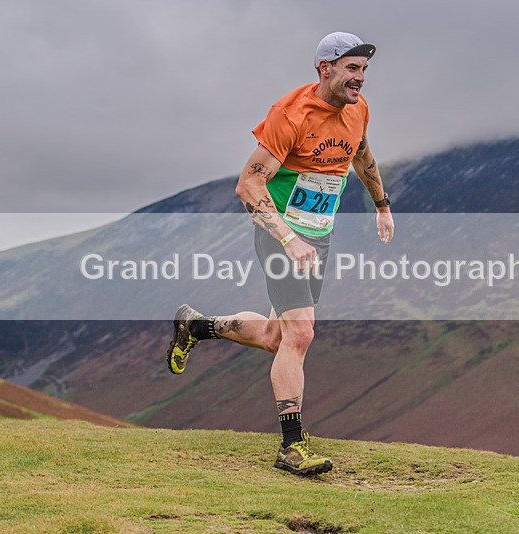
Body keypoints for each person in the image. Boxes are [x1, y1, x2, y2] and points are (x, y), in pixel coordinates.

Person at [165, 32, 394, 476]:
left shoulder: (358, 110)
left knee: (277, 336)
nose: (360, 78)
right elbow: (249, 185)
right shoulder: (290, 114)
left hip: (318, 236)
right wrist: (288, 238)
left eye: (364, 70)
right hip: (281, 233)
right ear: (324, 68)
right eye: (352, 68)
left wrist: (382, 206)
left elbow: (362, 155)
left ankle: (196, 325)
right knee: (301, 334)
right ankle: (292, 446)